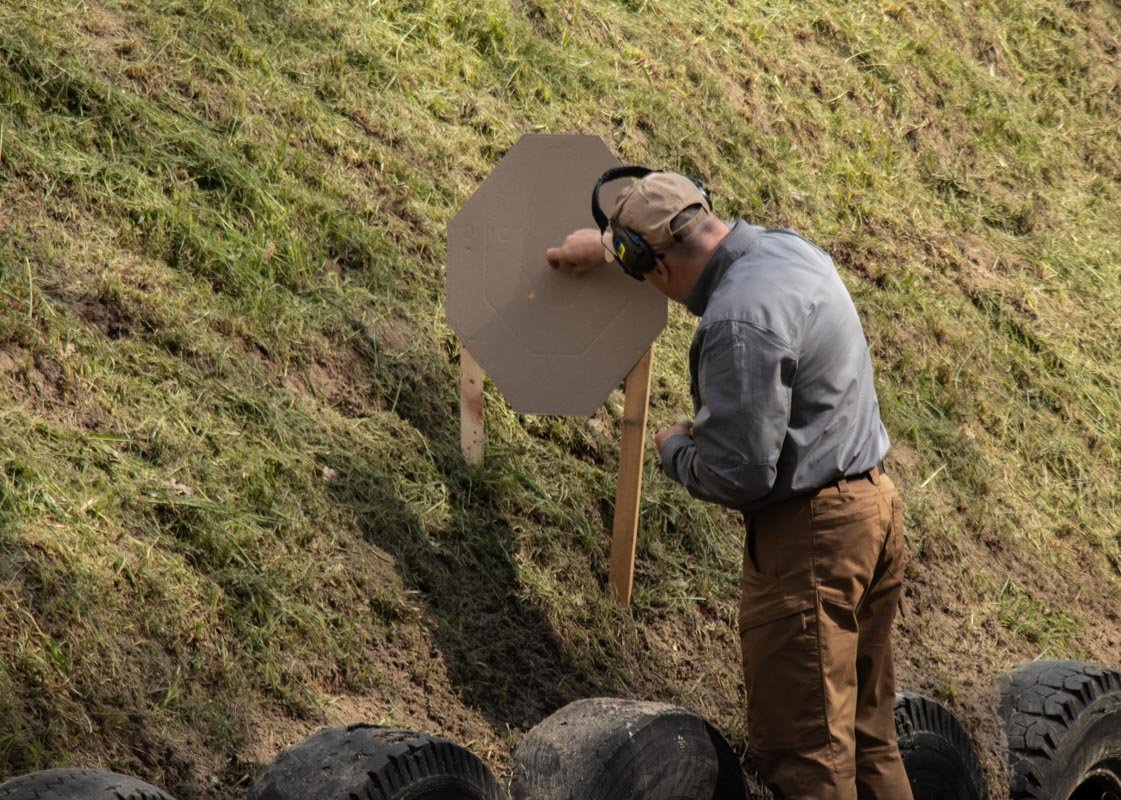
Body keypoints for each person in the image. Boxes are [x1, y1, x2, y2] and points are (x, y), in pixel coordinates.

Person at [545, 169, 914, 800]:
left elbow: (739, 474)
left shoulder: (736, 323)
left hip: (813, 541)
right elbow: (669, 238)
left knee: (809, 761)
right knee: (866, 739)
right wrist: (606, 249)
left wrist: (675, 449)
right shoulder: (786, 248)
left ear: (654, 269)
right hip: (873, 508)